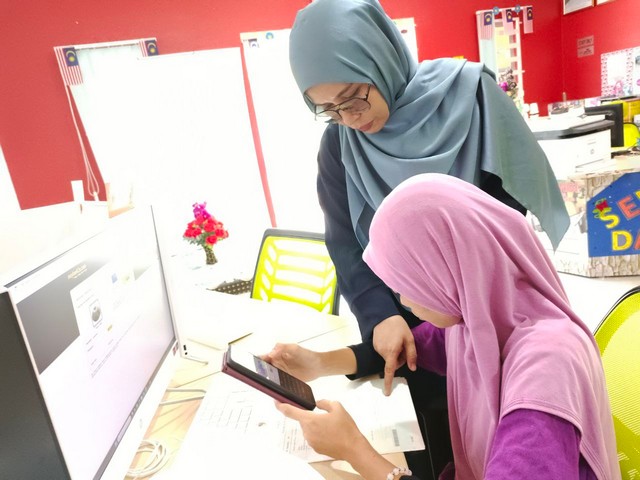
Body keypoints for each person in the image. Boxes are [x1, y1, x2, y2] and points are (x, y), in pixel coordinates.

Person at [288, 0, 570, 399]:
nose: (350, 119)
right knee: (434, 426)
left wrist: (456, 297)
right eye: (330, 110)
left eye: (352, 98)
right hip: (406, 329)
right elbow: (345, 242)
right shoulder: (340, 144)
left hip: (488, 307)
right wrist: (380, 315)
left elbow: (505, 215)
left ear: (379, 56)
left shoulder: (472, 95)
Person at [266, 173, 620, 480]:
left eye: (409, 282)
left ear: (448, 268)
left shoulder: (546, 372)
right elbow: (409, 347)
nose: (403, 300)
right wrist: (320, 363)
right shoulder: (484, 317)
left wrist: (354, 450)